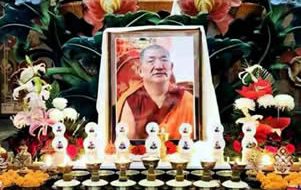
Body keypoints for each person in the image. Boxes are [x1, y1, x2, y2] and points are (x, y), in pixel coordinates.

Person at [117, 44, 194, 139]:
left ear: (171, 67)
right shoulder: (132, 100)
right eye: (151, 61)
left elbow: (198, 143)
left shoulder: (186, 99)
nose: (158, 66)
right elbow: (125, 143)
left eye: (164, 60)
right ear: (140, 70)